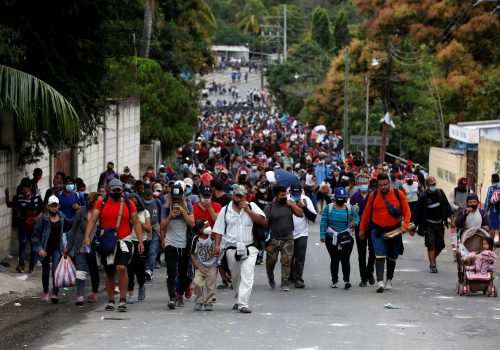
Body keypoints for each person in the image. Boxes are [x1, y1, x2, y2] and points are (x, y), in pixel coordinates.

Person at [84, 179, 145, 312]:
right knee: (109, 271)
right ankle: (111, 300)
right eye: (114, 190)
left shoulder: (129, 204)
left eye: (119, 190)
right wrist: (87, 236)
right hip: (107, 241)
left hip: (125, 241)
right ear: (108, 190)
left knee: (122, 268)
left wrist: (140, 241)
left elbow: (136, 223)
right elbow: (93, 220)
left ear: (122, 190)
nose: (117, 192)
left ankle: (122, 299)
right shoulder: (101, 203)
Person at [212, 185, 266, 313]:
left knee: (247, 274)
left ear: (245, 196)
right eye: (237, 195)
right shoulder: (225, 210)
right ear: (233, 196)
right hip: (231, 248)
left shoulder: (251, 206)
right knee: (236, 276)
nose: (239, 198)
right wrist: (217, 246)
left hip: (250, 247)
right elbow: (218, 230)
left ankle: (243, 304)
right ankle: (238, 297)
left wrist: (248, 210)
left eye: (242, 196)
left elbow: (262, 220)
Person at [359, 174, 411, 293]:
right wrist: (362, 229)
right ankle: (380, 282)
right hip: (377, 231)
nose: (383, 187)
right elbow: (366, 213)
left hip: (395, 231)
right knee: (380, 255)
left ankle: (389, 279)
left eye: (385, 185)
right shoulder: (374, 195)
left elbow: (406, 210)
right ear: (377, 185)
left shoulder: (399, 194)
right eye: (380, 185)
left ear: (389, 183)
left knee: (392, 255)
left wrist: (405, 225)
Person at [160, 184, 195, 309]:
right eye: (174, 198)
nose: (176, 201)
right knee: (171, 272)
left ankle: (180, 295)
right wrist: (170, 216)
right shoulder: (165, 207)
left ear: (182, 197)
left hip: (184, 244)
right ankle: (172, 297)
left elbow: (192, 223)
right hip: (171, 244)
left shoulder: (188, 205)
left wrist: (183, 212)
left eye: (178, 198)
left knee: (183, 272)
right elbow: (162, 226)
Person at [32, 196, 72, 303]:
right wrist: (39, 248)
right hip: (45, 248)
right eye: (52, 206)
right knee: (45, 271)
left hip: (57, 248)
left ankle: (55, 293)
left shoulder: (62, 217)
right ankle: (46, 292)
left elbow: (70, 225)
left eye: (55, 206)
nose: (54, 208)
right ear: (48, 206)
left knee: (56, 270)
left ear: (58, 206)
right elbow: (35, 236)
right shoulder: (43, 220)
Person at [265, 185, 304, 291]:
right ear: (276, 196)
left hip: (288, 239)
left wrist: (291, 205)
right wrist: (265, 243)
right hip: (273, 239)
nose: (284, 197)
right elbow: (265, 224)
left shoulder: (289, 205)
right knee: (271, 262)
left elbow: (300, 214)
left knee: (286, 261)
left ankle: (284, 282)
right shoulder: (270, 207)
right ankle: (270, 276)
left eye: (285, 194)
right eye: (282, 195)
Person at [64, 192, 101, 305]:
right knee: (80, 270)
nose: (101, 203)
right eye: (98, 201)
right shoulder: (81, 212)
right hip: (81, 246)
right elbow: (74, 230)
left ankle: (94, 292)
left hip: (96, 247)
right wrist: (68, 247)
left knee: (94, 270)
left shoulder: (102, 213)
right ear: (93, 201)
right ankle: (80, 295)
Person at [411, 177, 453, 273]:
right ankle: (433, 265)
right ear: (427, 185)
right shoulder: (423, 197)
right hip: (428, 224)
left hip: (439, 224)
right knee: (431, 245)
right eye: (431, 184)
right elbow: (416, 213)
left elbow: (446, 205)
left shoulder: (440, 193)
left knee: (440, 245)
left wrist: (451, 216)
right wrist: (413, 227)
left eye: (434, 184)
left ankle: (432, 259)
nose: (433, 186)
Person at [320, 187, 359, 289]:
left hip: (346, 236)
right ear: (335, 197)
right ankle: (335, 280)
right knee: (334, 259)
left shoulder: (350, 208)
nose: (341, 199)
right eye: (339, 197)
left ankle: (347, 280)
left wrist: (355, 223)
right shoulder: (328, 208)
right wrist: (322, 235)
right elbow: (323, 222)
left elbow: (357, 216)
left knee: (345, 258)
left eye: (343, 197)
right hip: (331, 237)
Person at [5, 179, 44, 273]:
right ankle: (21, 265)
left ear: (30, 188)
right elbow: (9, 204)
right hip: (23, 225)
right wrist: (7, 194)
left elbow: (43, 211)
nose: (24, 190)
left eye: (26, 188)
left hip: (34, 226)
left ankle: (32, 266)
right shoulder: (18, 198)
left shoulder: (36, 199)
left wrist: (36, 218)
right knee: (22, 244)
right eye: (23, 188)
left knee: (33, 245)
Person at [288, 183, 316, 288]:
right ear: (290, 192)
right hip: (287, 234)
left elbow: (313, 217)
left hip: (302, 233)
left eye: (298, 193)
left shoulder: (305, 200)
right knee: (288, 258)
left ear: (301, 192)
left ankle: (298, 279)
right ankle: (289, 277)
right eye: (294, 193)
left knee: (300, 257)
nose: (296, 195)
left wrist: (303, 207)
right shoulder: (285, 199)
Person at [350, 175, 375, 287]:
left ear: (368, 183)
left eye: (365, 183)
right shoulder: (354, 197)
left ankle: (370, 272)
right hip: (360, 227)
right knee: (361, 253)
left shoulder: (374, 195)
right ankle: (363, 278)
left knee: (373, 251)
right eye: (361, 183)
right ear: (358, 184)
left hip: (373, 226)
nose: (363, 185)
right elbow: (351, 213)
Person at [126, 193, 151, 303]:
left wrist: (137, 221)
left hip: (142, 242)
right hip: (128, 242)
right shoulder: (126, 212)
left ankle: (141, 286)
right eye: (131, 202)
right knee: (129, 269)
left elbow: (149, 228)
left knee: (140, 269)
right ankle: (130, 294)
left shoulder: (145, 213)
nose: (134, 204)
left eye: (135, 202)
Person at [190, 219, 218, 311]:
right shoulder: (196, 239)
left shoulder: (213, 238)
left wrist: (217, 251)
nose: (209, 228)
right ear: (200, 230)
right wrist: (194, 263)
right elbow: (192, 253)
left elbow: (217, 249)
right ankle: (199, 300)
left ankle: (208, 302)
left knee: (211, 286)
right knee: (197, 283)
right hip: (200, 266)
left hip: (212, 266)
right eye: (206, 226)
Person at [143, 189, 163, 281]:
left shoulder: (157, 202)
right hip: (144, 229)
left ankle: (149, 271)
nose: (148, 200)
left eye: (149, 198)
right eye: (146, 198)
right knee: (145, 251)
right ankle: (145, 269)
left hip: (155, 228)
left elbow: (160, 215)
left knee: (152, 251)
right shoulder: (141, 203)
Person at [484, 174, 500, 247]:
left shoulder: (491, 188)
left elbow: (487, 201)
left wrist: (485, 212)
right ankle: (498, 241)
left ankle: (491, 243)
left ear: (491, 180)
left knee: (492, 228)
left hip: (494, 211)